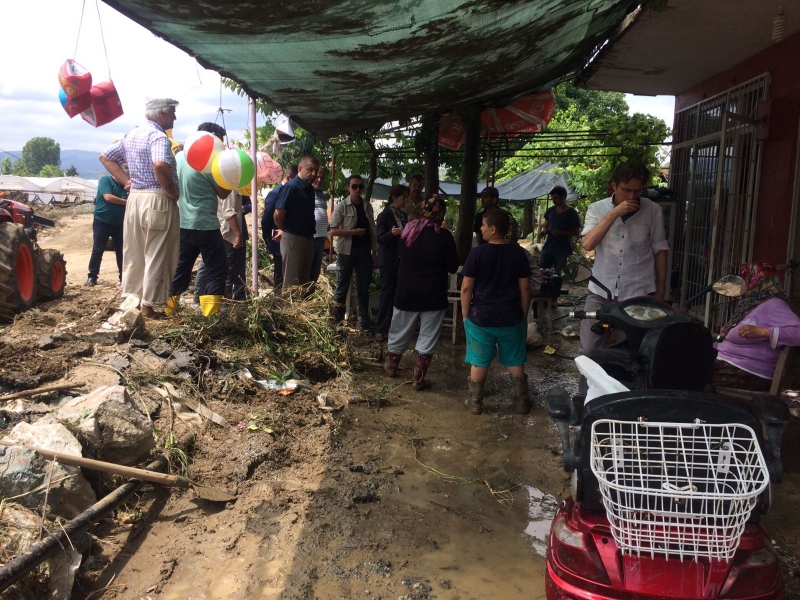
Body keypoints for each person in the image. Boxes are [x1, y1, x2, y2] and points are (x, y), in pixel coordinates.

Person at [579, 160, 669, 393]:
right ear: (614, 186)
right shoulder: (597, 209)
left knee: (636, 353)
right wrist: (614, 213)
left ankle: (629, 403)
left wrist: (660, 293)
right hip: (601, 291)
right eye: (626, 189)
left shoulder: (653, 211)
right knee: (588, 350)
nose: (632, 195)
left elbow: (660, 250)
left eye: (637, 191)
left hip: (638, 293)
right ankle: (583, 403)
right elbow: (588, 243)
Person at [99, 97, 180, 319]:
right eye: (172, 112)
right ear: (161, 114)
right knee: (157, 253)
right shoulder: (158, 137)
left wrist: (127, 180)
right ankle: (149, 307)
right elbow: (160, 163)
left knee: (135, 252)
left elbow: (105, 156)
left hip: (135, 199)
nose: (175, 116)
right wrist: (171, 190)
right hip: (157, 198)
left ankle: (134, 301)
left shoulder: (131, 134)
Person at [461, 209, 531, 415]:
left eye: (482, 225)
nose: (480, 229)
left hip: (481, 317)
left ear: (493, 229)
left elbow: (466, 288)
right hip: (511, 316)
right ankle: (521, 402)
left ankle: (475, 403)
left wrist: (465, 316)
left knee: (479, 360)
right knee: (515, 360)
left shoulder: (477, 253)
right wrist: (523, 315)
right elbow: (525, 288)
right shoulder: (518, 253)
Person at [385, 194, 458, 390]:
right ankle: (418, 379)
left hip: (405, 292)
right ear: (441, 213)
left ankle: (392, 367)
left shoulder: (407, 233)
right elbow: (452, 267)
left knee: (399, 330)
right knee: (428, 335)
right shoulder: (443, 236)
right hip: (433, 295)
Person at [164, 123, 231, 316]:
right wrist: (231, 177)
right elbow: (223, 193)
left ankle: (169, 309)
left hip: (183, 223)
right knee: (218, 269)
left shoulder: (178, 158)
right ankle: (209, 314)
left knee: (182, 267)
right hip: (206, 225)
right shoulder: (209, 163)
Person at [714, 262, 800, 390]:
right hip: (726, 362)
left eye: (745, 280)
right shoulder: (751, 303)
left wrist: (764, 332)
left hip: (748, 372)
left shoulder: (775, 304)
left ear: (757, 280)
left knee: (689, 374)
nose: (741, 285)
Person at [330, 174, 378, 329]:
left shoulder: (367, 206)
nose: (358, 189)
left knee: (364, 287)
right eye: (354, 186)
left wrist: (374, 251)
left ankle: (363, 321)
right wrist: (353, 232)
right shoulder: (342, 206)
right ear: (348, 188)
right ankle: (336, 322)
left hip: (364, 251)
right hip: (346, 252)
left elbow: (372, 230)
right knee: (342, 287)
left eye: (360, 186)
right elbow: (333, 231)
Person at [274, 156, 320, 286]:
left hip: (308, 239)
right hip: (293, 239)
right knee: (292, 285)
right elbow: (278, 215)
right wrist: (288, 230)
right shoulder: (291, 187)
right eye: (310, 169)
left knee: (304, 285)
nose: (314, 174)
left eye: (316, 170)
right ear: (300, 169)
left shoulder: (310, 189)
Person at [195, 190, 246, 303]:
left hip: (221, 230)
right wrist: (238, 234)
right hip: (227, 234)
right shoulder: (230, 187)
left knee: (209, 264)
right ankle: (221, 301)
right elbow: (228, 212)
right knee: (224, 268)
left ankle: (201, 298)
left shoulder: (226, 184)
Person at [375, 184, 409, 342]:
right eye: (403, 197)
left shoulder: (403, 215)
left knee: (397, 295)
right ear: (394, 198)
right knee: (387, 294)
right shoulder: (384, 215)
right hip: (388, 260)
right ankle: (380, 329)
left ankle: (393, 329)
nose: (405, 201)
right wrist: (391, 234)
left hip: (401, 260)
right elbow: (380, 238)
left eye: (406, 198)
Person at [85, 171, 128, 286]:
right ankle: (92, 276)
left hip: (120, 223)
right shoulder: (106, 180)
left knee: (121, 251)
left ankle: (123, 278)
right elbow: (108, 197)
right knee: (98, 249)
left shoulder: (127, 185)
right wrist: (127, 202)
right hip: (102, 221)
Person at [262, 165, 298, 288]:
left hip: (292, 239)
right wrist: (266, 236)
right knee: (280, 274)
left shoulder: (293, 193)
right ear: (288, 178)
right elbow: (266, 218)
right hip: (278, 239)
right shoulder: (275, 193)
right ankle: (278, 301)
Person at [537, 185, 580, 274]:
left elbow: (576, 231)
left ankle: (556, 288)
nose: (553, 200)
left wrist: (562, 233)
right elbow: (547, 225)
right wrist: (544, 231)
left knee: (558, 274)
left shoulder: (572, 213)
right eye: (552, 198)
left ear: (563, 197)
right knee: (541, 271)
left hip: (562, 249)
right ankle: (543, 288)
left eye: (556, 198)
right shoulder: (550, 211)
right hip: (548, 246)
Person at [310, 168, 330, 283]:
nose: (319, 179)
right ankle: (304, 299)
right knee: (306, 272)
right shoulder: (306, 192)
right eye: (317, 176)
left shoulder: (323, 195)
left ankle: (310, 297)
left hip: (321, 239)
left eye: (322, 177)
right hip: (310, 238)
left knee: (315, 273)